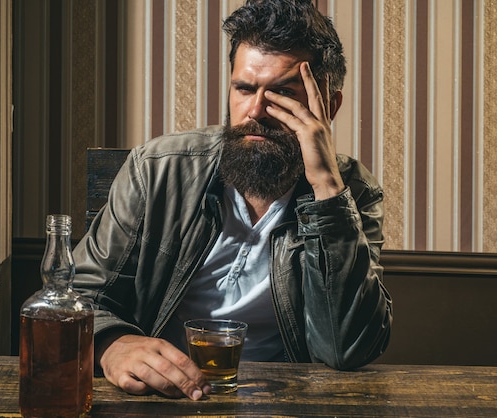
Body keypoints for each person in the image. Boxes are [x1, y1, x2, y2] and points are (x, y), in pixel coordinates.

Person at [73, 0, 392, 401]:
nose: (254, 111)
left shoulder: (354, 193)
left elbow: (346, 349)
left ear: (328, 105)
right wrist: (112, 344)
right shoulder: (158, 170)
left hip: (288, 400)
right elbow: (76, 295)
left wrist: (327, 190)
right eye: (244, 88)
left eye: (281, 93)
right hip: (160, 398)